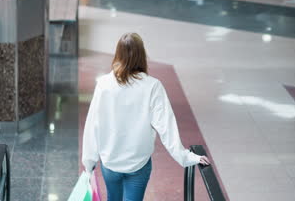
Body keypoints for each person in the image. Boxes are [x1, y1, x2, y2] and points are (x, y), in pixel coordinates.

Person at [82, 33, 210, 201]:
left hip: (110, 162)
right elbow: (167, 127)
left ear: (118, 54)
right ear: (142, 55)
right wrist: (186, 157)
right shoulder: (152, 86)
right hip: (138, 164)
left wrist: (89, 163)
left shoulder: (104, 84)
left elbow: (93, 126)